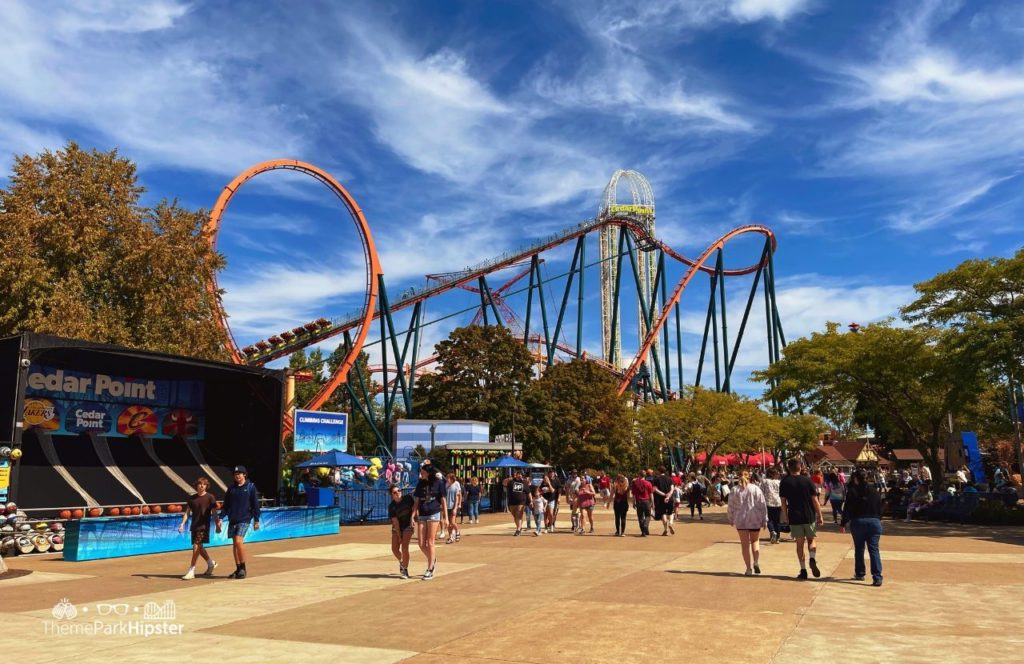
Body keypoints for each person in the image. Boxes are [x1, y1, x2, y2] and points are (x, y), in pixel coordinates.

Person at [780, 458, 824, 580]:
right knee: (811, 539)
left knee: (799, 544)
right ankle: (812, 558)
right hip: (808, 515)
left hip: (794, 516)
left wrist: (786, 516)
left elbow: (783, 502)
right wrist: (819, 515)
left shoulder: (785, 482)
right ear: (800, 467)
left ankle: (803, 569)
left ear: (789, 468)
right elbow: (815, 500)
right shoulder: (807, 481)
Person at [216, 465, 260, 580]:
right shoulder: (231, 489)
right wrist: (220, 518)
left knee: (238, 541)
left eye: (240, 473)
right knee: (235, 545)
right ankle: (238, 568)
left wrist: (256, 520)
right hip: (233, 519)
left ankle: (243, 568)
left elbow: (255, 504)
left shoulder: (250, 487)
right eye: (235, 474)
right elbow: (226, 506)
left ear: (244, 474)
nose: (237, 476)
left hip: (245, 519)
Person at [840, 469, 883, 586]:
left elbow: (847, 508)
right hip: (874, 521)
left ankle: (860, 573)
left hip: (858, 521)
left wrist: (843, 523)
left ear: (855, 479)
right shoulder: (875, 491)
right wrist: (879, 518)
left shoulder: (852, 491)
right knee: (874, 549)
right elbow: (880, 507)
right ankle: (877, 576)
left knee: (859, 549)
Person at [727, 470, 768, 576]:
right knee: (755, 541)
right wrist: (764, 519)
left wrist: (731, 518)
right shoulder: (755, 489)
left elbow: (730, 506)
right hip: (754, 519)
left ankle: (748, 569)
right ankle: (756, 562)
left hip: (740, 520)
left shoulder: (734, 490)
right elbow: (762, 504)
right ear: (749, 477)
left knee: (745, 545)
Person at [177, 476, 218, 580]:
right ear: (196, 486)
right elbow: (187, 512)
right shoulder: (192, 498)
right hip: (194, 526)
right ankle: (211, 563)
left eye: (204, 484)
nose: (202, 486)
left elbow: (214, 513)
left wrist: (218, 524)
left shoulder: (210, 497)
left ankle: (191, 570)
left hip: (204, 526)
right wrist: (182, 523)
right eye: (200, 484)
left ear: (206, 486)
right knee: (199, 547)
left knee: (196, 546)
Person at [412, 462, 447, 580]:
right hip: (422, 514)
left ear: (428, 473)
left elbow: (443, 500)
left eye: (422, 472)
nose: (421, 473)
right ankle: (432, 558)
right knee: (421, 543)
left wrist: (445, 518)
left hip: (434, 513)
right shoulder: (420, 484)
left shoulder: (439, 483)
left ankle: (430, 568)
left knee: (430, 541)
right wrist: (413, 515)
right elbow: (416, 501)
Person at [388, 483, 415, 578]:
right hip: (398, 527)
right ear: (392, 495)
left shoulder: (408, 498)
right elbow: (395, 522)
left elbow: (415, 507)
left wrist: (413, 518)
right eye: (395, 492)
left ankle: (405, 569)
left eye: (399, 491)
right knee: (394, 549)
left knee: (404, 547)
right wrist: (399, 536)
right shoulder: (392, 506)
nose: (398, 493)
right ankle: (402, 561)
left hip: (408, 525)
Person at [504, 469, 530, 536]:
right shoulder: (511, 482)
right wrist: (508, 479)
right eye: (518, 474)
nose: (519, 475)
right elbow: (504, 483)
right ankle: (519, 527)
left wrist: (531, 501)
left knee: (518, 514)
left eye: (520, 474)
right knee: (515, 516)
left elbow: (528, 493)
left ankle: (518, 529)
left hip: (521, 502)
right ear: (516, 475)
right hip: (512, 502)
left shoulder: (524, 482)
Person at [652, 467, 675, 536]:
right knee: (671, 513)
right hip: (670, 499)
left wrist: (664, 495)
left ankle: (666, 530)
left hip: (661, 499)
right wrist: (668, 496)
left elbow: (655, 489)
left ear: (659, 471)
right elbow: (672, 488)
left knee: (663, 513)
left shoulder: (656, 479)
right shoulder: (669, 479)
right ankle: (670, 523)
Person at [630, 471, 654, 537]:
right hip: (646, 501)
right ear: (645, 476)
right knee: (648, 515)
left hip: (639, 501)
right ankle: (645, 525)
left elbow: (634, 494)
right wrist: (652, 503)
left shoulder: (635, 483)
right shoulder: (648, 483)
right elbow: (651, 494)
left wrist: (633, 502)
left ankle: (643, 532)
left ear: (639, 475)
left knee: (640, 516)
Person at [762, 468, 782, 544]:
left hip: (768, 502)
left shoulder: (764, 481)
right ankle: (777, 538)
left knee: (769, 519)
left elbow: (761, 492)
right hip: (778, 502)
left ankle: (772, 531)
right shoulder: (779, 482)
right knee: (777, 520)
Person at [445, 473, 462, 544]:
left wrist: (455, 507)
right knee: (448, 524)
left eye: (448, 478)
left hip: (453, 506)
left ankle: (457, 532)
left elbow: (457, 497)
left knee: (452, 522)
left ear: (451, 479)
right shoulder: (446, 486)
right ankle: (450, 537)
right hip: (447, 506)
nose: (447, 479)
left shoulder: (455, 486)